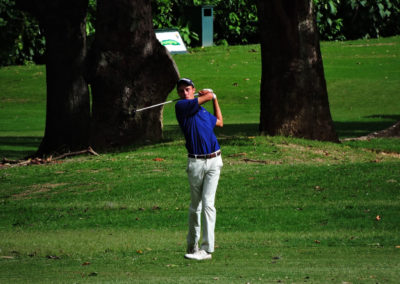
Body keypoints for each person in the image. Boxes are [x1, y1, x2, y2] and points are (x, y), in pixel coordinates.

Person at [175, 78, 223, 261]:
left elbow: (219, 122)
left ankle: (207, 249)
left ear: (193, 90)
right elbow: (208, 96)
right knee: (196, 207)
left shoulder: (201, 111)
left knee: (208, 204)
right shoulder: (181, 107)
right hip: (195, 163)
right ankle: (192, 245)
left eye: (187, 89)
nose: (184, 93)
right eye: (181, 91)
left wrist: (215, 100)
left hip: (214, 161)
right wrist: (210, 94)